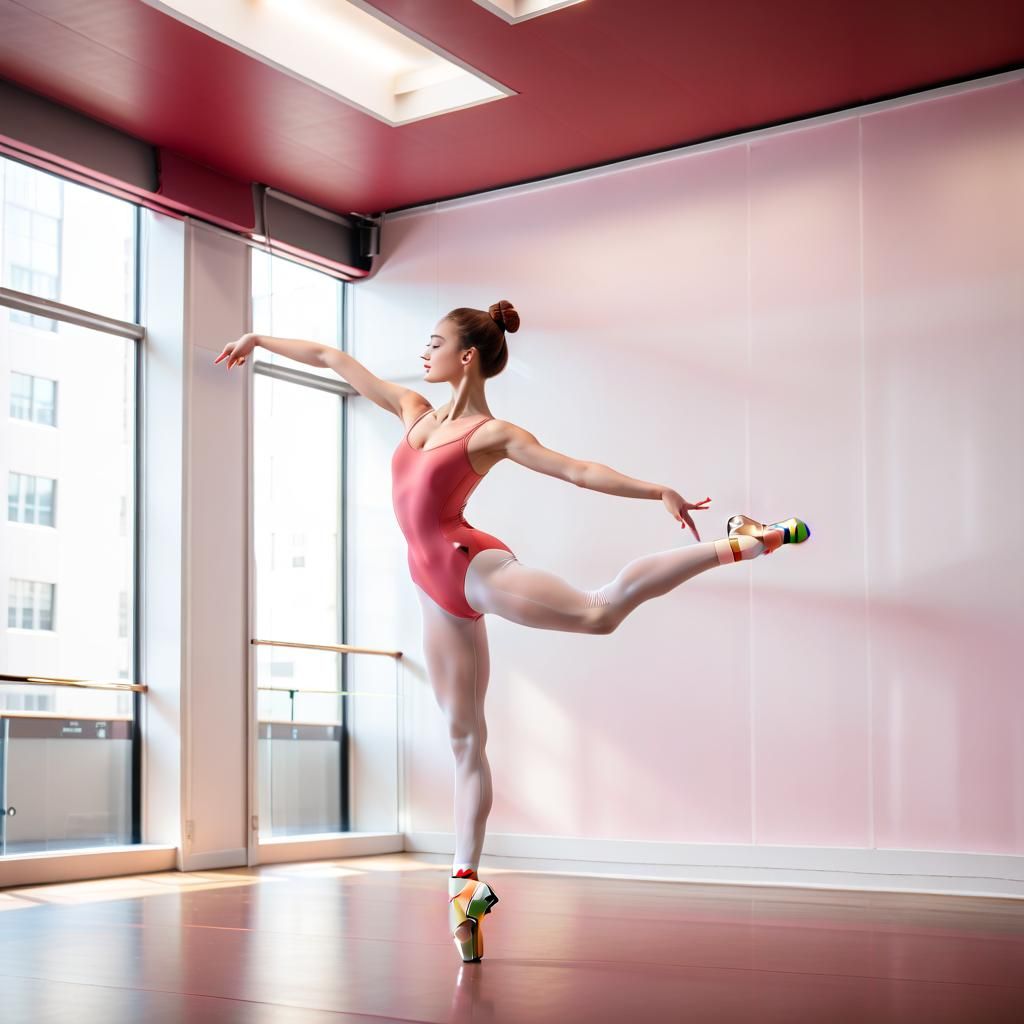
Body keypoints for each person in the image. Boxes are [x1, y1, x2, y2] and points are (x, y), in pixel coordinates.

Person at [215, 301, 809, 963]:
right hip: (432, 591)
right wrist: (260, 338)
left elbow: (576, 469)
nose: (424, 353)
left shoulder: (490, 434)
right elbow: (332, 358)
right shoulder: (412, 410)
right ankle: (465, 885)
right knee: (465, 736)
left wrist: (655, 492)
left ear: (466, 356)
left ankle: (743, 543)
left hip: (472, 567)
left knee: (597, 613)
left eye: (434, 342)